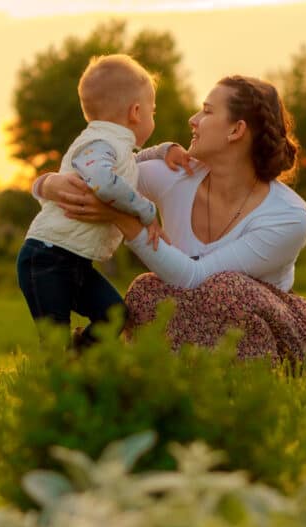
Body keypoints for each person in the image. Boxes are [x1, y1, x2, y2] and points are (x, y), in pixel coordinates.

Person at [36, 75, 306, 367]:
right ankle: (161, 377)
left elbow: (195, 278)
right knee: (146, 292)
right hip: (195, 331)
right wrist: (47, 184)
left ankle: (243, 385)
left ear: (236, 130)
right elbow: (97, 173)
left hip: (280, 344)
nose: (193, 119)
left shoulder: (288, 216)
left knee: (225, 287)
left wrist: (122, 218)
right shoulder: (177, 176)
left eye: (207, 111)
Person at [16, 54, 189, 348]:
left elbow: (130, 163)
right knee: (54, 340)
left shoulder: (113, 145)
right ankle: (62, 380)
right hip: (47, 258)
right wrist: (147, 212)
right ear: (136, 112)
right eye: (153, 112)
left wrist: (163, 150)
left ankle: (81, 358)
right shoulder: (99, 144)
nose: (153, 118)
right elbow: (105, 183)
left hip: (74, 261)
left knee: (114, 316)